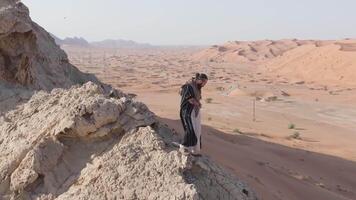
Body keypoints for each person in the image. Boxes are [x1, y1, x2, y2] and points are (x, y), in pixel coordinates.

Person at [179, 73, 208, 156]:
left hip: (195, 111)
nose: (204, 85)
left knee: (197, 131)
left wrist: (198, 103)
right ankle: (183, 147)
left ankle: (194, 151)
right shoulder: (188, 86)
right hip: (187, 111)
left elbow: (195, 98)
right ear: (199, 80)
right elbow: (189, 99)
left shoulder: (197, 87)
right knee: (190, 129)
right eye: (204, 83)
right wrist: (197, 103)